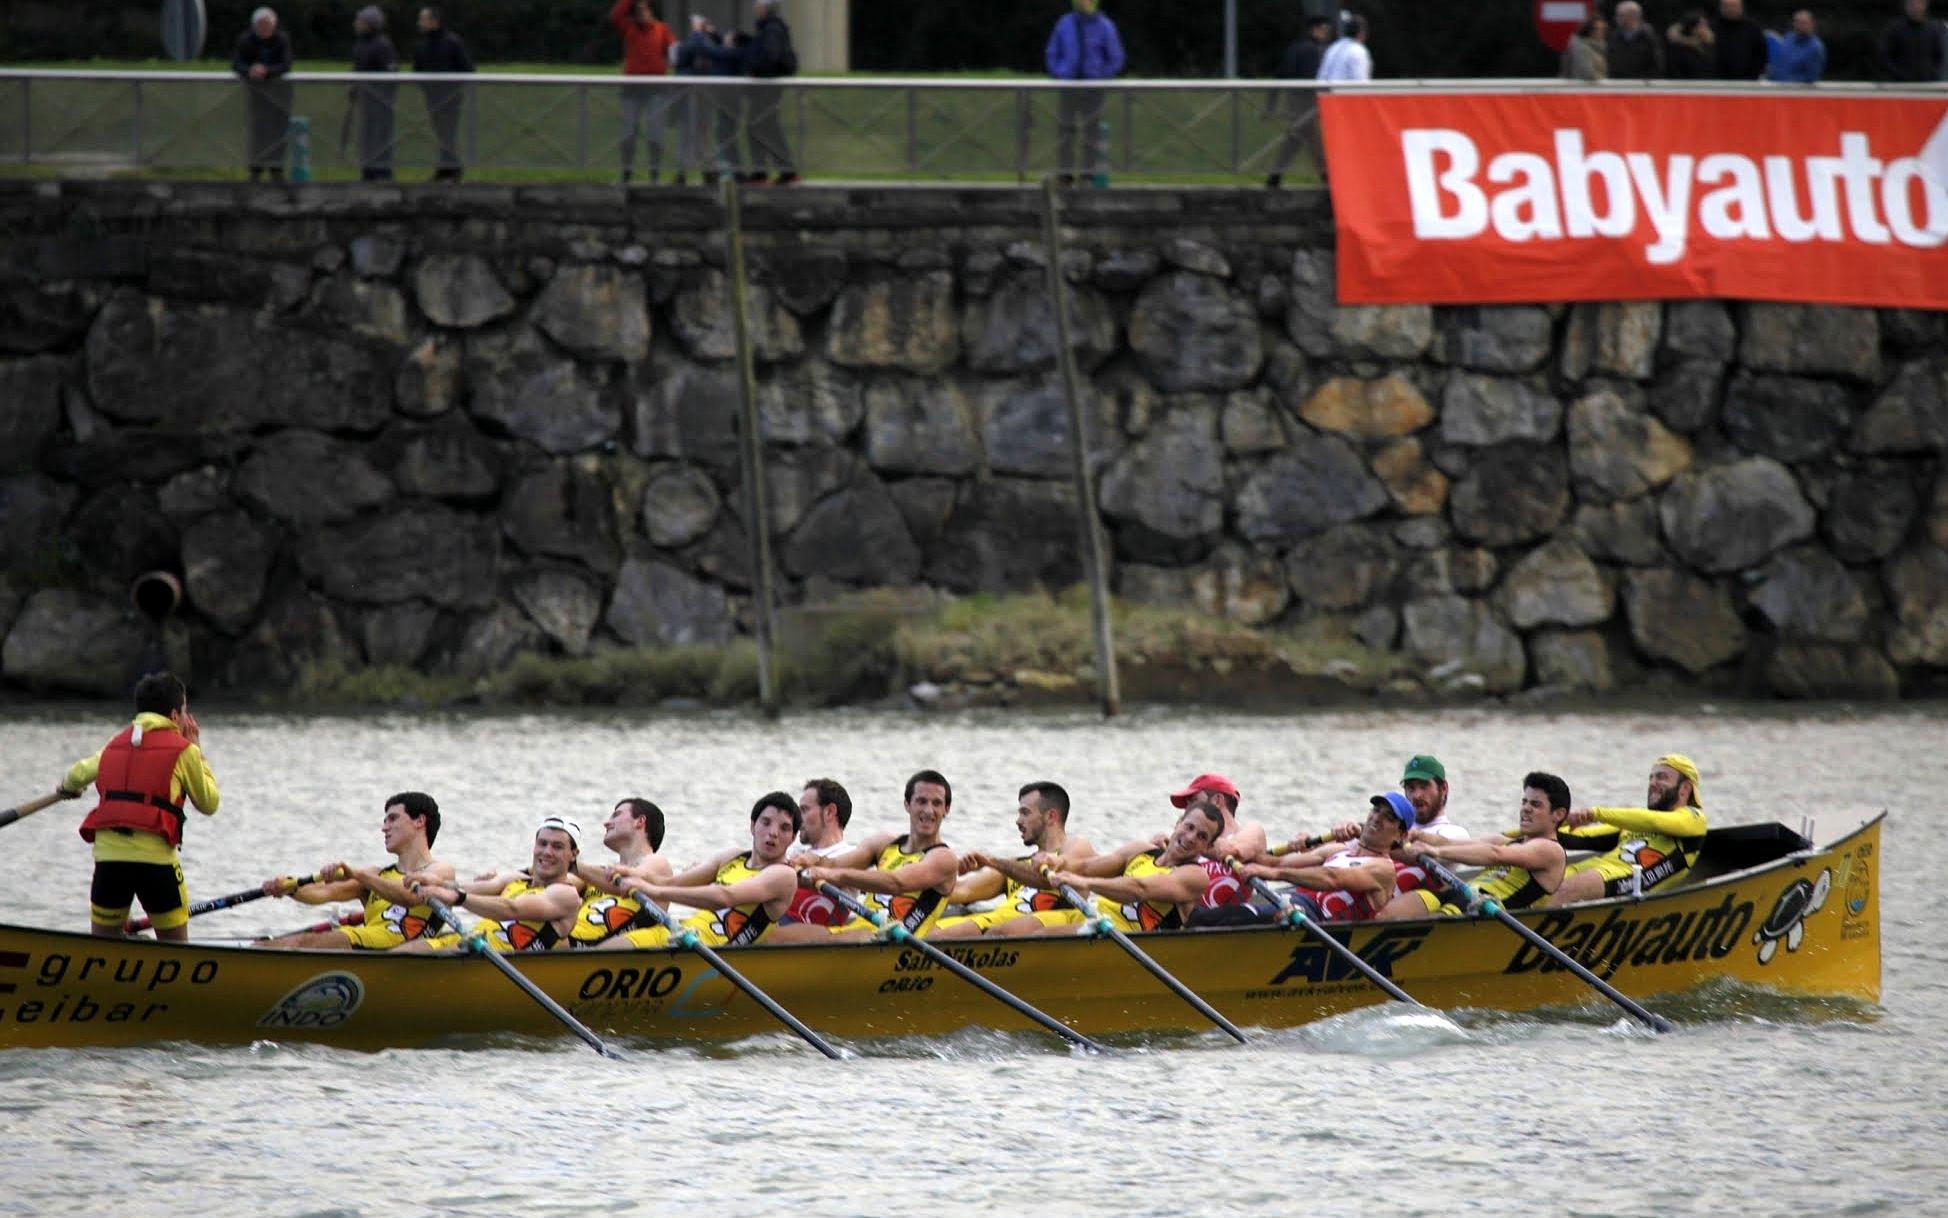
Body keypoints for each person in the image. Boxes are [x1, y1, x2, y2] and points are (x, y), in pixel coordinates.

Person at [58, 672, 219, 940]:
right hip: (156, 866)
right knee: (176, 951)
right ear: (175, 716)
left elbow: (76, 775)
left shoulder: (115, 745)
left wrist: (67, 788)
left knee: (102, 946)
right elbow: (209, 803)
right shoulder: (185, 751)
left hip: (110, 863)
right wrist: (197, 748)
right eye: (185, 711)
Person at [772, 769, 959, 942]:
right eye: (921, 801)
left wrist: (832, 875)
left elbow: (896, 883)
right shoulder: (885, 843)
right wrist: (811, 860)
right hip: (860, 932)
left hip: (895, 941)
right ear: (907, 805)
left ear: (946, 809)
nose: (928, 810)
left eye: (937, 803)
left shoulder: (943, 858)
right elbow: (834, 864)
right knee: (770, 936)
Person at [601, 792, 801, 950]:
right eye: (766, 822)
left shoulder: (783, 875)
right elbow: (672, 883)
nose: (773, 833)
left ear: (792, 838)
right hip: (683, 935)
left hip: (712, 953)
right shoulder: (732, 856)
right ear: (752, 826)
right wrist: (634, 874)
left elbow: (724, 896)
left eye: (784, 828)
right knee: (609, 948)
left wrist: (651, 890)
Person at [994, 801, 1224, 936]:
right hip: (1087, 915)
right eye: (1189, 827)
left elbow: (1139, 888)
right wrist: (1059, 862)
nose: (1191, 837)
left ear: (1209, 846)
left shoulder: (1195, 876)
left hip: (1120, 935)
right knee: (1003, 932)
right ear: (1178, 824)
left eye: (1202, 836)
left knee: (1039, 938)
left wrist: (1086, 884)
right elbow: (1086, 866)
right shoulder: (1141, 850)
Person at [258, 793, 454, 948]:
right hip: (368, 943)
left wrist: (357, 874)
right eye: (385, 821)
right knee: (271, 944)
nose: (384, 828)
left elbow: (409, 897)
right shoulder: (376, 875)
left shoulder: (441, 870)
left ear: (419, 821)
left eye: (392, 819)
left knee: (302, 943)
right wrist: (290, 888)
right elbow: (322, 892)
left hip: (402, 951)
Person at [1378, 773, 1571, 918]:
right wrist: (1419, 835)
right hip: (1461, 895)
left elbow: (1496, 855)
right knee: (1386, 914)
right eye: (1524, 802)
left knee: (1440, 915)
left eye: (1536, 805)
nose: (1526, 809)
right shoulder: (1510, 843)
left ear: (1558, 814)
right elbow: (1452, 843)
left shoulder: (1550, 851)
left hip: (1487, 912)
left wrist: (1436, 851)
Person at [933, 780, 1097, 940]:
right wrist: (925, 877)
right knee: (923, 929)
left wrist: (992, 862)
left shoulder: (1077, 846)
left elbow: (1052, 877)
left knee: (936, 936)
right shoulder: (1015, 865)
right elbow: (963, 891)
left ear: (1051, 816)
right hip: (990, 924)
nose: (1018, 821)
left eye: (1025, 813)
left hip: (1019, 932)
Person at [400, 817, 585, 952]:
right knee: (405, 953)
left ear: (574, 854)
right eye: (542, 844)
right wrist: (437, 883)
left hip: (494, 961)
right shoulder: (516, 879)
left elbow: (511, 909)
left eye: (557, 847)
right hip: (468, 943)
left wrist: (458, 898)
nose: (547, 852)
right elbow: (470, 888)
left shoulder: (566, 895)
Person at [1549, 755, 1709, 906]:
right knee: (1540, 882)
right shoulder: (1632, 823)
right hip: (1597, 868)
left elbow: (1655, 821)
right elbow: (1575, 837)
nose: (1652, 783)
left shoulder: (1694, 818)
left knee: (1565, 889)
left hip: (1631, 878)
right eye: (1651, 778)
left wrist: (1595, 814)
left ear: (1685, 788)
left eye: (1661, 777)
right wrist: (1546, 824)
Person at [1238, 792, 1413, 922]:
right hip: (1301, 907)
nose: (1377, 818)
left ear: (1401, 835)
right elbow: (1277, 862)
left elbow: (1333, 878)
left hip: (1321, 924)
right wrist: (1239, 851)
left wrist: (1274, 874)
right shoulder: (1338, 850)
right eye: (1376, 810)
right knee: (1233, 914)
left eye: (1388, 817)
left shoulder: (1384, 869)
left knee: (1246, 916)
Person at [565, 797, 674, 947]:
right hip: (561, 941)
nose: (606, 823)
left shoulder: (657, 863)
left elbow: (628, 882)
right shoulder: (592, 875)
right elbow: (554, 882)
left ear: (640, 821)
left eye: (616, 815)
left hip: (593, 952)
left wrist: (568, 863)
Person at [1044, 0, 1125, 187]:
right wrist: (1059, 72)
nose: (1084, 3)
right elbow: (1052, 51)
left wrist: (1101, 75)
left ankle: (1088, 175)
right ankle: (1065, 175)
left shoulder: (1105, 26)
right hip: (1069, 85)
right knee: (1065, 131)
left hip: (1092, 87)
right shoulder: (1064, 23)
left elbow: (1116, 57)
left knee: (1091, 132)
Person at [1165, 773, 1266, 911]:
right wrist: (1157, 849)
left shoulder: (1252, 831)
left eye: (1193, 801)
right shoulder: (1186, 840)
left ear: (1217, 800)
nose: (1188, 810)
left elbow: (1229, 849)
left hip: (1225, 919)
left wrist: (1183, 841)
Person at [612, 0, 678, 184]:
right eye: (638, 11)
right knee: (628, 133)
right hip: (632, 90)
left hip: (655, 90)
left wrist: (672, 60)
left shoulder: (661, 29)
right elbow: (615, 16)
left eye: (645, 9)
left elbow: (673, 49)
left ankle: (654, 175)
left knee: (655, 133)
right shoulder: (629, 28)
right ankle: (626, 174)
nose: (643, 13)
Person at [1264, 15, 1332, 189]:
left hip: (1293, 101)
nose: (1326, 34)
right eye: (1324, 29)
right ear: (1314, 29)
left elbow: (1278, 77)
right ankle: (1328, 177)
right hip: (1306, 102)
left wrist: (1270, 105)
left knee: (1296, 140)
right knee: (1310, 140)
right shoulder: (1312, 50)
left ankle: (1275, 175)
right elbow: (1313, 79)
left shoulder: (1294, 48)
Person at [412, 6, 474, 182]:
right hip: (432, 97)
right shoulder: (422, 45)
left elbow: (467, 68)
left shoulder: (452, 42)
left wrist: (452, 88)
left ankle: (450, 169)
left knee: (447, 133)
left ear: (434, 21)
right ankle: (447, 168)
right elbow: (417, 70)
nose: (420, 23)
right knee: (441, 134)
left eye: (423, 19)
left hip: (450, 98)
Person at [232, 7, 294, 182]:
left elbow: (286, 64)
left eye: (268, 26)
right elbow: (237, 63)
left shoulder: (282, 40)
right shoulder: (246, 40)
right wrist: (250, 70)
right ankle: (256, 168)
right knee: (257, 130)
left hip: (280, 94)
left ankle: (276, 168)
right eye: (261, 26)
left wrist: (267, 71)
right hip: (256, 93)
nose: (264, 29)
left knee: (278, 131)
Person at [743, 0, 800, 185]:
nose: (754, 8)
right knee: (766, 127)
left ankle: (765, 172)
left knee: (758, 126)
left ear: (764, 9)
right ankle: (784, 170)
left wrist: (754, 69)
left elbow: (769, 56)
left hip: (766, 88)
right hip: (767, 87)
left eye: (757, 5)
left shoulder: (771, 30)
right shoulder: (770, 29)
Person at [783, 778, 853, 925]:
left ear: (829, 812)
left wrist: (814, 865)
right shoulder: (792, 851)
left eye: (804, 810)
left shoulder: (851, 856)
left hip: (811, 937)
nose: (795, 819)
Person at [671, 13, 729, 185]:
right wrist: (697, 34)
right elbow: (685, 55)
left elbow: (721, 49)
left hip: (704, 96)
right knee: (687, 135)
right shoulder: (688, 45)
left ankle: (708, 171)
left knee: (703, 135)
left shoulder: (706, 43)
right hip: (689, 96)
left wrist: (712, 33)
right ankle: (683, 172)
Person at [349, 6, 400, 181]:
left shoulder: (383, 45)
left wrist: (383, 96)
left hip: (381, 102)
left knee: (381, 138)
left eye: (360, 21)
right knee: (367, 137)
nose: (356, 24)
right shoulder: (361, 44)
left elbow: (391, 74)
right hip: (366, 101)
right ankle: (368, 171)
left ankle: (383, 174)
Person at [1880, 0, 1945, 81]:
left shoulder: (1932, 29)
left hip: (1927, 84)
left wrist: (1932, 73)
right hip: (1900, 85)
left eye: (1920, 3)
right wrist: (1898, 74)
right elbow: (1884, 57)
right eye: (1912, 3)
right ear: (1906, 5)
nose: (1916, 7)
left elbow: (1938, 56)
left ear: (1925, 5)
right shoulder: (1894, 29)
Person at [1709, 0, 1767, 80]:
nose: (1731, 9)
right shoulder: (1711, 28)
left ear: (1741, 7)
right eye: (1727, 6)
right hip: (1715, 81)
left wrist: (1755, 74)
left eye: (1734, 6)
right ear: (1721, 8)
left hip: (1747, 81)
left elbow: (1761, 54)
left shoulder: (1753, 28)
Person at [1606, 2, 1664, 78]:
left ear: (1633, 16)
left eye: (1621, 15)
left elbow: (1657, 62)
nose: (1617, 18)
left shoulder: (1649, 36)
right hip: (1620, 83)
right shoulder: (1614, 37)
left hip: (1644, 83)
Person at [1765, 10, 1825, 82]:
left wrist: (1786, 82)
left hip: (1796, 90)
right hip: (1775, 86)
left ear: (1811, 24)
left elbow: (1810, 78)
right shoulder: (1788, 38)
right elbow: (1779, 62)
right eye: (1797, 22)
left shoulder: (1815, 48)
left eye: (1803, 23)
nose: (1800, 26)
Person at [1317, 13, 1373, 83]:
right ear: (1361, 33)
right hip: (1343, 92)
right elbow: (1361, 82)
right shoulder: (1358, 50)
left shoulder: (1333, 47)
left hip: (1324, 92)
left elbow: (1321, 77)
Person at [1665, 9, 1715, 78]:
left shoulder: (1708, 46)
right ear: (1692, 28)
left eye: (1706, 25)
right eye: (1702, 25)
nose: (1705, 28)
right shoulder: (1678, 48)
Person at [1562, 16, 1609, 80]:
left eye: (1603, 29)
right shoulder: (1579, 46)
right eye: (1596, 29)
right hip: (1581, 86)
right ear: (1587, 29)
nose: (1600, 32)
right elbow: (1587, 73)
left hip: (1598, 85)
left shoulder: (1603, 46)